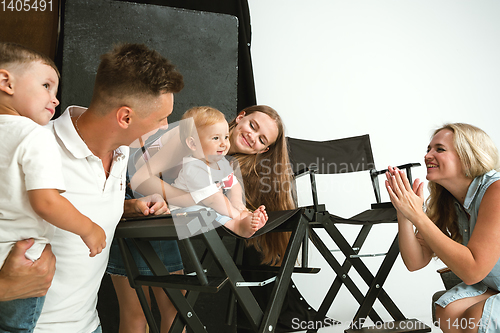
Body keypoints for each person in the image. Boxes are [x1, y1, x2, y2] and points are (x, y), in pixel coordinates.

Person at [107, 104, 305, 332]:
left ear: (262, 151)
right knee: (139, 312)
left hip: (159, 214)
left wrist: (240, 212)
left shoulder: (226, 163)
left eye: (262, 140)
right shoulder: (193, 132)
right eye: (252, 125)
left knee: (172, 309)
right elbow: (139, 179)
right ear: (240, 117)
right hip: (130, 200)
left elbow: (227, 198)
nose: (252, 136)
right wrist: (192, 200)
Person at [32, 42, 183, 333]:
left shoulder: (122, 152)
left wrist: (129, 208)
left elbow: (78, 202)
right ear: (125, 117)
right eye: (161, 118)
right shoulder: (35, 149)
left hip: (89, 326)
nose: (166, 127)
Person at [0, 42, 106, 332]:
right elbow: (46, 201)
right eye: (46, 86)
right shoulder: (35, 136)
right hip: (22, 262)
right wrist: (89, 228)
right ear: (5, 82)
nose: (55, 99)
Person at [385, 123, 500, 333]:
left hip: (490, 282)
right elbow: (415, 261)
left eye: (439, 149)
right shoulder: (446, 200)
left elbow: (473, 271)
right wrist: (404, 214)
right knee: (447, 310)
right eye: (428, 149)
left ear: (468, 157)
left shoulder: (496, 190)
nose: (428, 155)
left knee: (476, 317)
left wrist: (418, 215)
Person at [170, 106, 268, 238]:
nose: (224, 144)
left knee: (213, 210)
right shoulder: (193, 167)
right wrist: (238, 215)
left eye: (226, 137)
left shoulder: (221, 163)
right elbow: (213, 199)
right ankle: (237, 226)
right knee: (207, 212)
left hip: (206, 206)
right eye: (216, 138)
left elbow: (233, 184)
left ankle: (242, 220)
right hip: (179, 215)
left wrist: (238, 204)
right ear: (193, 144)